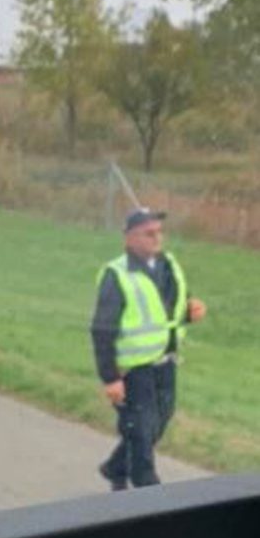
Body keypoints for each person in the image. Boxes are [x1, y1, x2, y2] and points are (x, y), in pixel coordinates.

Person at [90, 207, 207, 491]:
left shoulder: (169, 264)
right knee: (141, 431)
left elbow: (174, 306)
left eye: (159, 232)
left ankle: (115, 467)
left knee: (158, 423)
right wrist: (111, 378)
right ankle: (149, 492)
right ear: (129, 238)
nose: (157, 238)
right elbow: (102, 329)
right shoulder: (116, 275)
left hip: (166, 362)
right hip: (133, 368)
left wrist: (191, 310)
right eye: (148, 233)